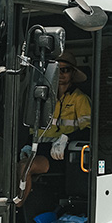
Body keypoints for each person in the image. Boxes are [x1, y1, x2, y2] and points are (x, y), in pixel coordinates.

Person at [18, 51, 91, 204]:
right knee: (13, 168)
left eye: (66, 70)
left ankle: (16, 209)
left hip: (62, 154)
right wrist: (27, 144)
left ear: (72, 73)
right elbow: (35, 128)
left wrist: (67, 139)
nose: (62, 74)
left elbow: (89, 130)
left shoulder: (80, 99)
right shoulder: (44, 98)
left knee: (25, 169)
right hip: (40, 149)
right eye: (58, 70)